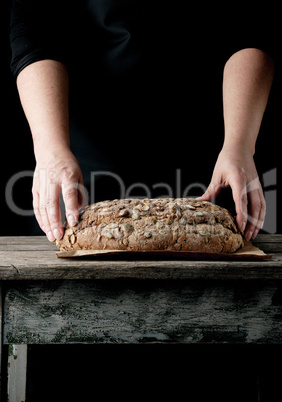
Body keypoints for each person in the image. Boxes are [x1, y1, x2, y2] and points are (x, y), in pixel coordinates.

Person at [9, 0, 276, 244]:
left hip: (214, 159)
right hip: (83, 164)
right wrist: (51, 150)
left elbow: (249, 28)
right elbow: (34, 33)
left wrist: (239, 144)